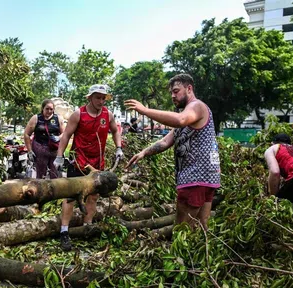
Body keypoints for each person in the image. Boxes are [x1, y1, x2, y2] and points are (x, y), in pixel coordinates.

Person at [124, 73, 220, 230]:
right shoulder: (188, 116)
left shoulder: (196, 106)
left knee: (182, 228)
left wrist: (145, 111)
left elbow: (179, 120)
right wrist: (143, 153)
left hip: (195, 178)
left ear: (189, 88)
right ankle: (201, 253)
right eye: (171, 93)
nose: (172, 96)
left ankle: (179, 255)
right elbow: (165, 141)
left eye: (176, 91)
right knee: (201, 228)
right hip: (205, 178)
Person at [53, 84, 123, 251]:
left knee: (93, 197)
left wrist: (119, 147)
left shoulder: (108, 115)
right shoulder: (79, 114)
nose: (100, 101)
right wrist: (59, 156)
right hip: (78, 162)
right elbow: (66, 135)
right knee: (70, 197)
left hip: (98, 164)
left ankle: (87, 227)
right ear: (90, 98)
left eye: (103, 98)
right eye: (97, 97)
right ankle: (64, 231)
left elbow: (115, 131)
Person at [24, 99, 64, 179]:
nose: (49, 111)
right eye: (47, 109)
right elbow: (26, 134)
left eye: (51, 109)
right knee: (41, 175)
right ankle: (40, 190)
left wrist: (58, 137)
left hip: (54, 150)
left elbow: (64, 133)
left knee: (55, 173)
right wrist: (29, 151)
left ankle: (55, 190)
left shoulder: (58, 118)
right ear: (43, 108)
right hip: (40, 149)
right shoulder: (36, 118)